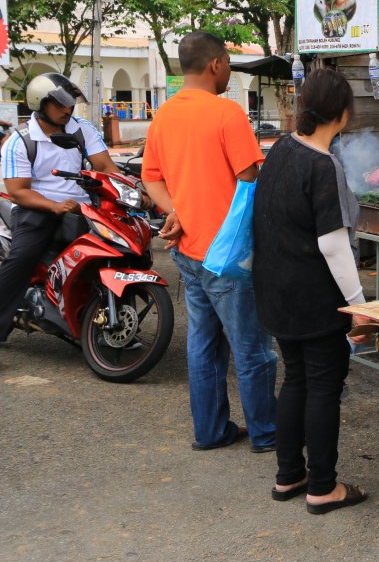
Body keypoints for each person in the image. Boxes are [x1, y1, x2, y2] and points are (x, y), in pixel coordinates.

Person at [141, 31, 277, 453]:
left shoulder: (163, 115)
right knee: (253, 348)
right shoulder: (226, 113)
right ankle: (267, 434)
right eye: (228, 63)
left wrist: (175, 211)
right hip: (230, 255)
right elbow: (251, 177)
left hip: (187, 250)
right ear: (216, 64)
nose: (229, 70)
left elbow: (151, 177)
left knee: (203, 345)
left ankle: (211, 431)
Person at [253, 67, 369, 514]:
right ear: (341, 114)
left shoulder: (281, 150)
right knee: (323, 385)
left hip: (277, 292)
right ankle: (323, 486)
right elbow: (334, 244)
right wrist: (359, 307)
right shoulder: (322, 164)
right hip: (314, 297)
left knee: (297, 378)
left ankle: (289, 476)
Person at [0, 73, 127, 342]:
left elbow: (106, 167)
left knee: (116, 248)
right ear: (39, 103)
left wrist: (132, 190)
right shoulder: (20, 140)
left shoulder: (82, 129)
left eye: (69, 104)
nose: (66, 109)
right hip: (36, 209)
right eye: (59, 104)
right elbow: (18, 191)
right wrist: (54, 206)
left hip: (81, 208)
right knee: (22, 258)